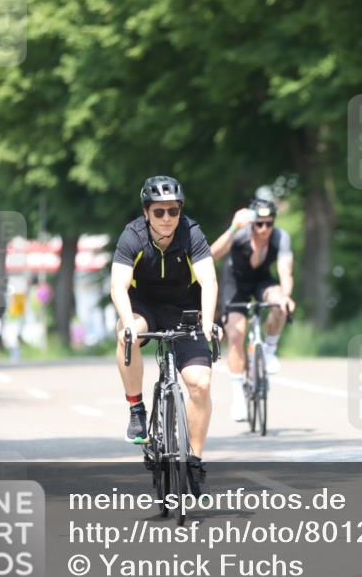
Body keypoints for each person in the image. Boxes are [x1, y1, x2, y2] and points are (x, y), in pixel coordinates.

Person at [110, 176, 218, 495]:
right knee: (126, 336)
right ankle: (136, 410)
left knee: (201, 383)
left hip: (185, 308)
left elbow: (209, 281)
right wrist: (127, 321)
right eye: (159, 212)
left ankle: (194, 461)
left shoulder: (191, 233)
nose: (167, 218)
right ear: (146, 212)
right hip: (144, 308)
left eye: (173, 211)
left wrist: (209, 321)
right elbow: (118, 285)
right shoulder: (132, 236)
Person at [211, 198, 295, 422]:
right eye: (259, 224)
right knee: (237, 334)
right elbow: (212, 254)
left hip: (261, 281)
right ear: (252, 223)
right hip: (235, 283)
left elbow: (285, 271)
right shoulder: (241, 234)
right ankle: (238, 395)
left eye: (269, 223)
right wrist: (233, 228)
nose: (264, 229)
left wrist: (286, 296)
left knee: (279, 305)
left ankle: (268, 352)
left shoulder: (280, 237)